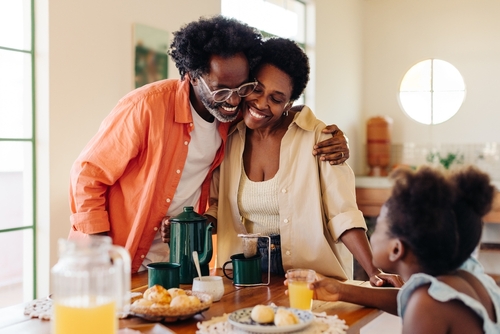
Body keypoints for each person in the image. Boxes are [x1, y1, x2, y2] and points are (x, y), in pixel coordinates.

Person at [68, 15, 348, 273]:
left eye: (241, 88)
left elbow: (276, 110)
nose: (234, 100)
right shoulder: (146, 107)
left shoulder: (231, 118)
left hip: (180, 260)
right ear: (192, 76)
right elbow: (87, 175)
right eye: (221, 90)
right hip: (116, 259)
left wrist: (327, 134)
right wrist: (100, 252)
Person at [200, 37, 401, 287]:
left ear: (289, 103)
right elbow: (218, 206)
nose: (262, 103)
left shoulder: (320, 139)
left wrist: (373, 271)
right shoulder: (228, 136)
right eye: (257, 89)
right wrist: (193, 225)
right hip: (244, 274)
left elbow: (343, 214)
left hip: (309, 277)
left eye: (276, 98)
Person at [298, 165, 500, 333]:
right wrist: (341, 290)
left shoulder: (426, 305)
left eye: (379, 226)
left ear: (396, 249)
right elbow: (406, 298)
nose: (372, 234)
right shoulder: (469, 279)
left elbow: (419, 303)